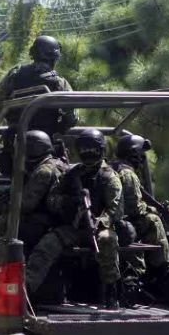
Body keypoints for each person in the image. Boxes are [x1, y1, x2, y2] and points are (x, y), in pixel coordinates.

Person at [25, 129, 125, 308]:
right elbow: (52, 199)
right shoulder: (71, 175)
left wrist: (99, 221)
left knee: (107, 240)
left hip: (99, 227)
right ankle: (27, 290)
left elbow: (116, 210)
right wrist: (68, 203)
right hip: (73, 228)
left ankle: (111, 291)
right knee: (48, 243)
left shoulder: (109, 177)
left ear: (101, 150)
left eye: (92, 150)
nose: (88, 154)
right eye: (85, 150)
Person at [0, 35, 77, 176]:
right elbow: (72, 118)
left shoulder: (15, 75)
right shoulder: (59, 83)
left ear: (33, 54)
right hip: (47, 149)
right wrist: (62, 126)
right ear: (54, 58)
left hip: (16, 147)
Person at [112, 134, 169, 281]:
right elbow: (135, 209)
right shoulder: (127, 173)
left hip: (111, 221)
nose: (143, 158)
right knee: (154, 220)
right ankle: (162, 269)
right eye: (141, 154)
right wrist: (154, 210)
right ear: (134, 154)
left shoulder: (112, 167)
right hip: (122, 224)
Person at [0, 130, 69, 248]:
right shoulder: (59, 164)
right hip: (59, 221)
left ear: (32, 150)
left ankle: (9, 252)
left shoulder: (43, 171)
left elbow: (25, 205)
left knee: (7, 219)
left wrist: (3, 206)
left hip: (49, 222)